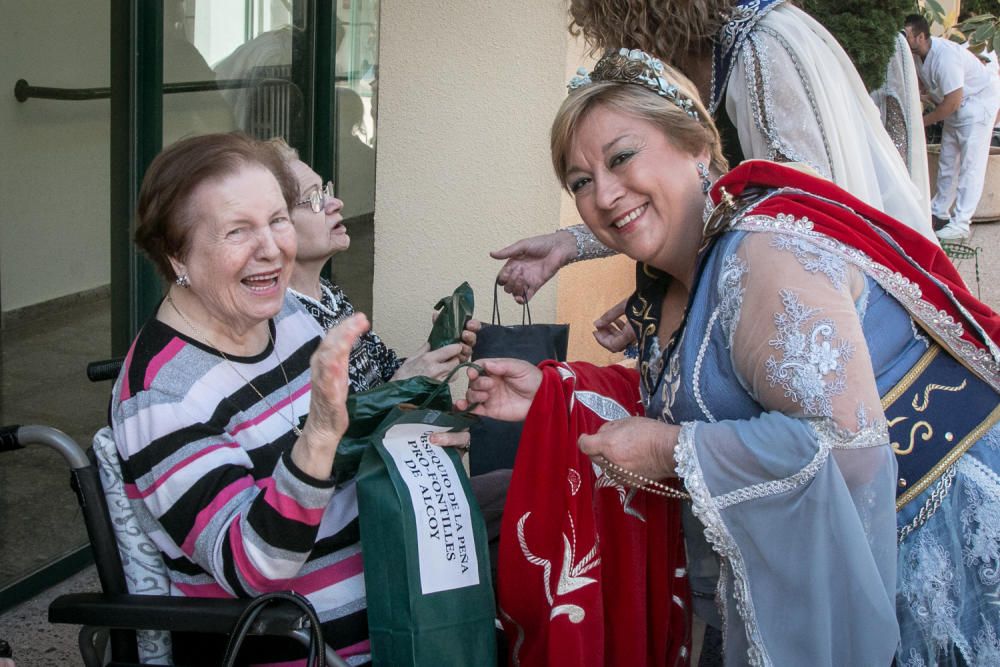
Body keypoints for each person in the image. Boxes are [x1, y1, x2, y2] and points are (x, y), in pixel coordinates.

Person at [464, 49, 1000, 665]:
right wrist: (556, 395)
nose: (605, 195)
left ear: (696, 148)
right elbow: (711, 398)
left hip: (923, 557)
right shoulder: (670, 278)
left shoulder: (763, 256)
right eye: (581, 182)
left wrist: (671, 452)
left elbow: (848, 455)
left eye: (621, 157)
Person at [110, 133, 469, 665]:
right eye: (237, 231)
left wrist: (418, 440)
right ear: (175, 253)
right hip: (309, 646)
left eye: (278, 220)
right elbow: (254, 566)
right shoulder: (160, 394)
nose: (273, 248)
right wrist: (320, 433)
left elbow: (345, 458)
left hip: (401, 596)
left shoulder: (286, 316)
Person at [493, 0, 937, 307]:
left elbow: (804, 222)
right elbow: (700, 198)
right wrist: (575, 242)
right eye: (581, 182)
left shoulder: (765, 46)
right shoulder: (714, 54)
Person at [904, 14, 1000, 242]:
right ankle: (939, 212)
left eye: (907, 35)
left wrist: (920, 123)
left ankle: (961, 223)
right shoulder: (918, 55)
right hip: (958, 108)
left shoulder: (946, 57)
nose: (903, 39)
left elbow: (952, 101)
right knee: (948, 160)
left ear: (920, 36)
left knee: (970, 166)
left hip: (977, 106)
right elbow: (922, 83)